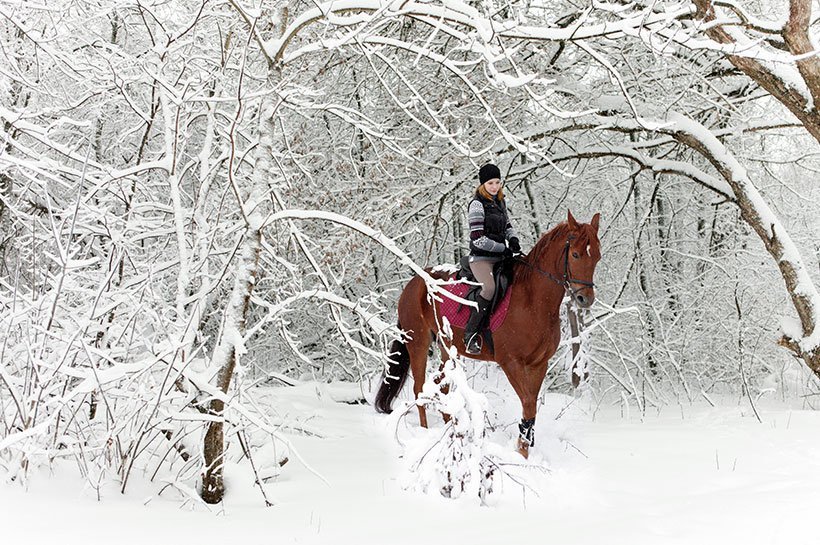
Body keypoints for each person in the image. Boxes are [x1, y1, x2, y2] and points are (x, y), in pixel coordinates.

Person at [464, 163, 520, 354]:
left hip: (500, 255)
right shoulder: (477, 205)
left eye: (497, 182)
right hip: (482, 258)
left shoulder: (500, 202)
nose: (495, 186)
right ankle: (470, 334)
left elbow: (507, 225)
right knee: (490, 288)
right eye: (490, 183)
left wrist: (513, 239)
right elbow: (478, 239)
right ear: (482, 185)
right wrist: (501, 249)